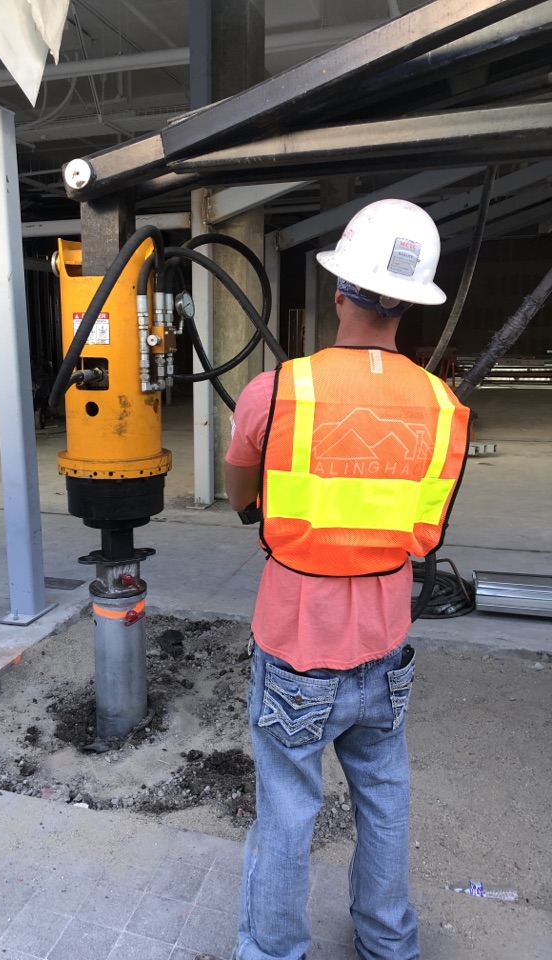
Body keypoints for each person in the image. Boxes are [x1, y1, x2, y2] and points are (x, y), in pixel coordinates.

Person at [224, 198, 471, 960]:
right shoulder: (441, 407)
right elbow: (423, 532)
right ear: (411, 306)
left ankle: (273, 951)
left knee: (288, 811)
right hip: (383, 650)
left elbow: (242, 498)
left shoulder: (279, 391)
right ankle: (390, 945)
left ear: (339, 291)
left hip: (297, 649)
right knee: (386, 799)